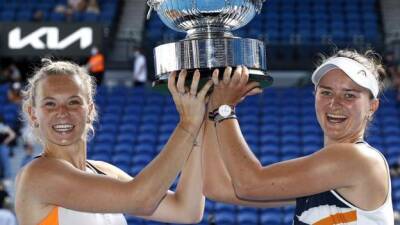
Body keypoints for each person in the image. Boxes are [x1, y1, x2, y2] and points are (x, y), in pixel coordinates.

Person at [202, 50, 394, 224]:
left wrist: (224, 109)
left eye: (349, 95)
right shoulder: (326, 176)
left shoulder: (357, 159)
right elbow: (218, 188)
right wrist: (212, 106)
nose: (335, 103)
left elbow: (249, 184)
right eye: (326, 92)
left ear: (372, 106)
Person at [15, 59, 213, 225]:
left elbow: (186, 209)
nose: (62, 112)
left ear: (90, 110)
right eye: (50, 104)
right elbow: (141, 199)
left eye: (73, 102)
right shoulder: (38, 175)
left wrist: (199, 122)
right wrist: (187, 125)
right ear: (33, 114)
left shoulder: (104, 171)